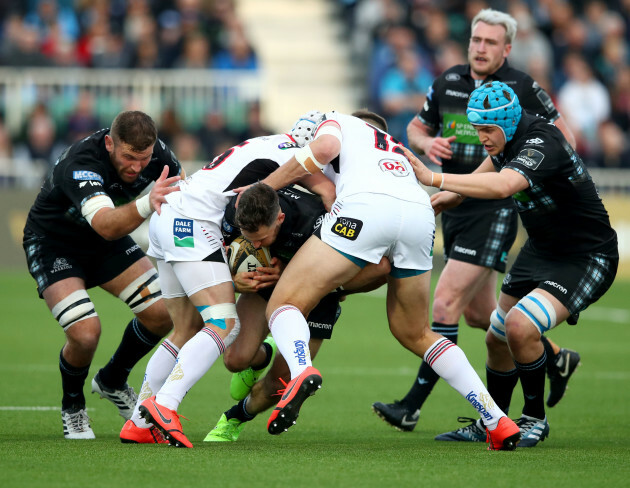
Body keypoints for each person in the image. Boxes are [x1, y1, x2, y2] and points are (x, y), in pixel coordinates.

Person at [244, 109, 521, 451]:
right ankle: (496, 418)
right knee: (416, 332)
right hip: (420, 212)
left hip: (366, 207)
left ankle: (301, 371)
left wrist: (264, 186)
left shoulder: (333, 123)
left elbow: (323, 149)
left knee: (284, 304)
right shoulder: (382, 140)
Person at [372, 8, 581, 440]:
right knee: (480, 316)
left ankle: (413, 405)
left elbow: (565, 138)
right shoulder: (448, 80)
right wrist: (427, 141)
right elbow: (415, 127)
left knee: (444, 303)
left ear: (507, 48)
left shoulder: (521, 88)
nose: (481, 48)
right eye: (476, 40)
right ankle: (555, 356)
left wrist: (531, 171)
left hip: (496, 206)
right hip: (456, 204)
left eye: (490, 42)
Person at [404, 80, 618, 447]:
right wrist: (447, 196)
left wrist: (433, 177)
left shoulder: (541, 141)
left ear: (507, 122)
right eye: (478, 129)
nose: (482, 138)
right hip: (542, 249)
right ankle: (494, 420)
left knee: (519, 327)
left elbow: (504, 185)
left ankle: (534, 418)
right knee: (496, 337)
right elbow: (487, 171)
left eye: (488, 130)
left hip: (586, 255)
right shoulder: (506, 138)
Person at [124, 113, 336, 447]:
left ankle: (139, 422)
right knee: (224, 323)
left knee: (184, 331)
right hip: (192, 223)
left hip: (168, 215)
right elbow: (327, 191)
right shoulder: (294, 156)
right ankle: (166, 404)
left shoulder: (268, 144)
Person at [22, 110, 183, 439]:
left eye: (144, 158)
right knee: (85, 333)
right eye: (128, 157)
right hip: (55, 244)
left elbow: (181, 197)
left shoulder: (160, 156)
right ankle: (73, 406)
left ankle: (112, 379)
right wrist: (146, 204)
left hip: (102, 242)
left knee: (163, 314)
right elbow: (107, 226)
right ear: (110, 143)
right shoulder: (81, 163)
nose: (137, 167)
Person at [203, 183, 389, 442]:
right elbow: (209, 263)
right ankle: (265, 352)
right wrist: (235, 280)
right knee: (234, 360)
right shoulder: (234, 213)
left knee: (281, 383)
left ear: (280, 219)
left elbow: (380, 268)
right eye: (249, 238)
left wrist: (325, 282)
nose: (255, 246)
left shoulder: (316, 220)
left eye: (262, 239)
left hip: (316, 293)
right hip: (266, 283)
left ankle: (233, 419)